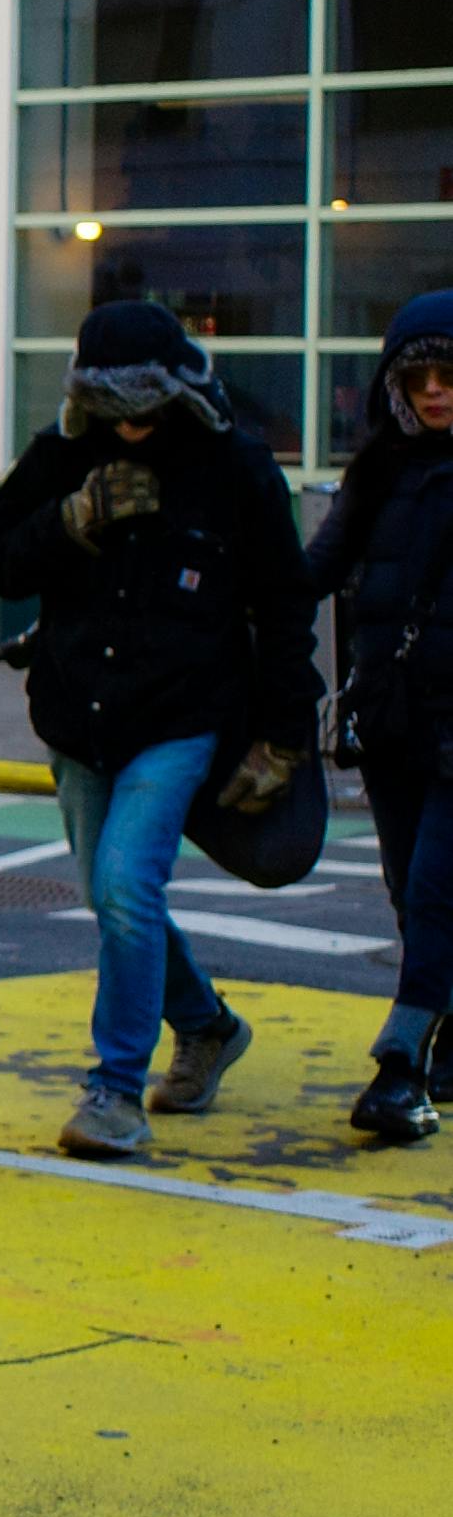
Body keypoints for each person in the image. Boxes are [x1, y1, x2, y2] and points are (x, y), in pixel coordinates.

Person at [0, 300, 316, 1162]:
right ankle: (205, 1026)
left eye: (142, 403)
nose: (127, 423)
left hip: (181, 715)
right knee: (109, 895)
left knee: (125, 886)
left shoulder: (233, 466)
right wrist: (71, 520)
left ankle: (113, 1090)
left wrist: (282, 735)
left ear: (177, 390)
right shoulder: (62, 456)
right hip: (75, 712)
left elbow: (283, 607)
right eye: (109, 402)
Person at [302, 291, 453, 1141]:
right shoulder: (378, 469)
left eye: (449, 374)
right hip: (391, 715)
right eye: (417, 377)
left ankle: (399, 1070)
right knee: (406, 888)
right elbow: (314, 569)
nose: (434, 392)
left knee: (434, 887)